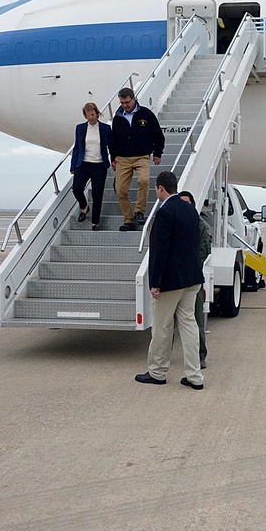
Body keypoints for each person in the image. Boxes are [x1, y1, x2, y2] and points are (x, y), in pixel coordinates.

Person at [136, 172, 205, 390]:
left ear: (161, 188)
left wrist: (155, 282)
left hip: (171, 281)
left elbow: (159, 250)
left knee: (162, 326)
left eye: (156, 189)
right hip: (192, 278)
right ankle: (195, 376)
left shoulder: (165, 212)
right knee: (189, 325)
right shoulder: (190, 210)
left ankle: (157, 372)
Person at [110, 87, 164, 231]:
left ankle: (140, 211)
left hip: (141, 156)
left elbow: (157, 134)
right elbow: (113, 139)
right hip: (122, 158)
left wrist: (158, 153)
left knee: (144, 180)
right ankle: (129, 219)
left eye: (127, 102)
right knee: (120, 190)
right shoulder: (118, 117)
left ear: (134, 99)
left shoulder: (145, 114)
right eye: (122, 103)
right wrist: (113, 157)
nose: (125, 106)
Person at [178, 190, 211, 369]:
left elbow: (204, 251)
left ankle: (200, 355)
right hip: (175, 280)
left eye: (187, 203)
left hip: (192, 279)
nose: (184, 206)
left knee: (196, 318)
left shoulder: (200, 225)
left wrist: (184, 265)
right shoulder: (174, 223)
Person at [70, 102, 112, 231]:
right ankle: (84, 207)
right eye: (88, 116)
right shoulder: (80, 128)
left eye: (93, 115)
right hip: (83, 164)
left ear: (97, 113)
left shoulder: (105, 128)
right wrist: (73, 165)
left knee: (97, 194)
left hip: (99, 165)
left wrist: (114, 160)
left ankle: (95, 222)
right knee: (76, 189)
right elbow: (77, 147)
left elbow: (111, 145)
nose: (91, 118)